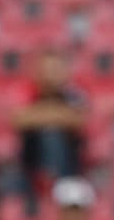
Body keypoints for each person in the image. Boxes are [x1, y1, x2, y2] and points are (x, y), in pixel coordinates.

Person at [10, 49, 88, 199]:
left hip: (71, 163)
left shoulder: (75, 93)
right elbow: (18, 120)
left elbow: (79, 120)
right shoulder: (25, 90)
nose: (49, 76)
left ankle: (57, 190)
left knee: (52, 136)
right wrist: (59, 114)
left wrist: (38, 114)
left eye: (54, 70)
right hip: (28, 161)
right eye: (45, 70)